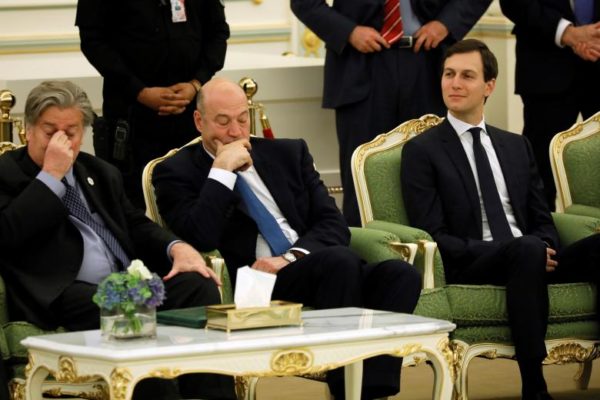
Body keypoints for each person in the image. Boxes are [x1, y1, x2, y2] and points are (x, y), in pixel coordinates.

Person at [152, 78, 422, 400]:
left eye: (242, 119)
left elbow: (333, 223)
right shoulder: (175, 171)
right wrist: (222, 171)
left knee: (401, 275)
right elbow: (199, 235)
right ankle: (347, 387)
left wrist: (291, 257)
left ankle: (365, 391)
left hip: (307, 262)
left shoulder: (288, 152)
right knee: (339, 262)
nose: (236, 132)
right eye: (223, 122)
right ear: (200, 121)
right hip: (256, 280)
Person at [0, 81, 235, 400]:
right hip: (63, 291)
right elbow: (8, 233)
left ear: (82, 134)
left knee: (198, 285)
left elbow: (136, 224)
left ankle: (210, 394)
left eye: (70, 131)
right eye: (49, 130)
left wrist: (176, 247)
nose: (60, 139)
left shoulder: (99, 171)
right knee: (127, 308)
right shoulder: (7, 174)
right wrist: (50, 178)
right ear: (28, 130)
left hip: (127, 283)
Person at [401, 39, 600, 400]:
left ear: (489, 86)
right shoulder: (422, 151)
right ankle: (534, 386)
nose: (455, 83)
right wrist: (523, 248)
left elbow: (542, 217)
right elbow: (435, 234)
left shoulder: (515, 145)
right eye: (449, 74)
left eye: (467, 75)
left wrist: (546, 246)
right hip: (474, 260)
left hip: (530, 256)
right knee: (524, 248)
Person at [290, 0, 492, 226]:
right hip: (360, 67)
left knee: (434, 171)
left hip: (428, 63)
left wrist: (446, 23)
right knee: (362, 177)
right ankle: (363, 255)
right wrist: (349, 31)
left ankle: (436, 253)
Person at [75, 0, 229, 209]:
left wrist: (196, 83)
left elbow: (218, 32)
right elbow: (93, 41)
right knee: (132, 205)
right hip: (130, 118)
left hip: (190, 114)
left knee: (194, 199)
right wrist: (139, 91)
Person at [499, 0, 600, 209]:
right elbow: (513, 4)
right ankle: (541, 239)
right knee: (541, 172)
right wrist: (567, 33)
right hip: (545, 65)